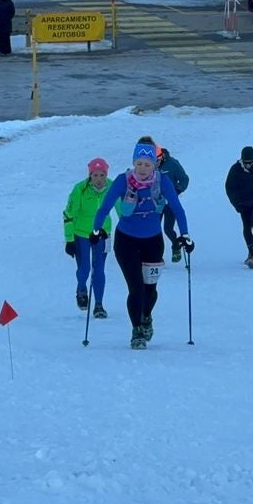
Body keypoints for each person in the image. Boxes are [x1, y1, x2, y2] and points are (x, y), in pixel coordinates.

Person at [91, 141, 191, 350]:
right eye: (139, 163)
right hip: (126, 240)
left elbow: (177, 208)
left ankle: (146, 316)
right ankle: (137, 330)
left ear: (154, 164)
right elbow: (104, 207)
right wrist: (96, 229)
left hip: (153, 241)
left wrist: (185, 235)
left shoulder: (162, 181)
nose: (143, 168)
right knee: (135, 288)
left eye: (147, 164)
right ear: (134, 162)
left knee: (150, 289)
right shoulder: (122, 181)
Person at [64, 157, 112, 319]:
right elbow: (69, 214)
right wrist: (69, 239)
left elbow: (122, 210)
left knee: (99, 269)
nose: (99, 179)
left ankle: (99, 304)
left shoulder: (112, 187)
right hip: (82, 233)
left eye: (102, 175)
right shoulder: (80, 189)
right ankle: (81, 289)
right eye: (95, 175)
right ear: (90, 175)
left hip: (103, 234)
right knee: (84, 268)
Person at [154, 142, 190, 263]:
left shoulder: (173, 164)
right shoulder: (149, 166)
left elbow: (184, 179)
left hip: (170, 203)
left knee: (168, 229)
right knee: (154, 229)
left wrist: (176, 191)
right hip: (155, 203)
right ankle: (157, 255)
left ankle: (176, 246)